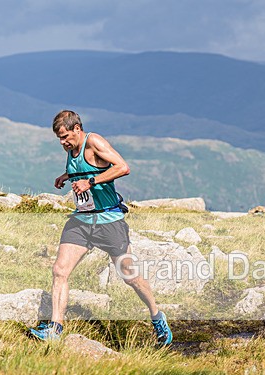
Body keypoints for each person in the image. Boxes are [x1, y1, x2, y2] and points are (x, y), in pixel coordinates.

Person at [29, 110, 172, 345]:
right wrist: (67, 175)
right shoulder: (72, 150)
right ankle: (55, 328)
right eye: (59, 139)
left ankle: (157, 317)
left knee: (130, 277)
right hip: (82, 221)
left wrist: (91, 181)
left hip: (109, 222)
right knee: (59, 271)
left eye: (65, 137)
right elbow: (89, 168)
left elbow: (122, 167)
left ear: (77, 129)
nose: (63, 143)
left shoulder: (94, 141)